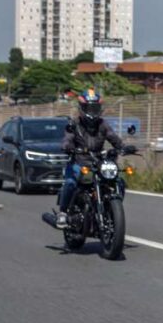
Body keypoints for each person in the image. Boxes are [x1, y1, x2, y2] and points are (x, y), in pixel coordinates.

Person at [56, 89, 124, 228]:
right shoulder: (74, 124)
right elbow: (67, 140)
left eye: (95, 108)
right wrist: (68, 147)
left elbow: (114, 138)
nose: (92, 111)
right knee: (70, 183)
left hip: (98, 162)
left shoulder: (103, 125)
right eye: (89, 108)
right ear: (82, 108)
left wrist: (124, 147)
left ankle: (112, 209)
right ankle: (62, 212)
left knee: (119, 181)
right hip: (79, 161)